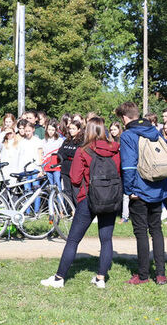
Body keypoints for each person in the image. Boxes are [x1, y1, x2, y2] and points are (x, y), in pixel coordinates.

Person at [41, 117, 121, 289]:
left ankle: (59, 278)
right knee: (106, 240)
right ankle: (101, 279)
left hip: (88, 197)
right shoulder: (115, 149)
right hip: (110, 198)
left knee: (73, 240)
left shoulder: (83, 150)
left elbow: (75, 178)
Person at [117, 101, 167, 285]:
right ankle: (161, 274)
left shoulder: (128, 135)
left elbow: (129, 165)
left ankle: (143, 275)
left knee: (141, 232)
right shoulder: (155, 131)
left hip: (139, 190)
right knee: (156, 230)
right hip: (158, 187)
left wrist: (129, 190)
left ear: (124, 118)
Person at [58, 119, 83, 201]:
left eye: (74, 129)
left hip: (75, 168)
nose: (71, 131)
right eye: (70, 129)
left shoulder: (81, 141)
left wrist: (68, 153)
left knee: (76, 191)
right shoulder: (66, 140)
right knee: (67, 191)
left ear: (79, 130)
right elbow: (60, 153)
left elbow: (77, 154)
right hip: (65, 168)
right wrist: (68, 154)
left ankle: (77, 210)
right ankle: (69, 210)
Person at [42, 121, 64, 190]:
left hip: (56, 166)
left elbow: (62, 153)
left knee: (57, 186)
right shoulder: (44, 141)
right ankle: (52, 200)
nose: (51, 132)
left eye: (53, 130)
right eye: (49, 129)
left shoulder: (60, 140)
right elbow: (43, 154)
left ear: (55, 130)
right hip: (47, 165)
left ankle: (59, 200)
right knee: (50, 186)